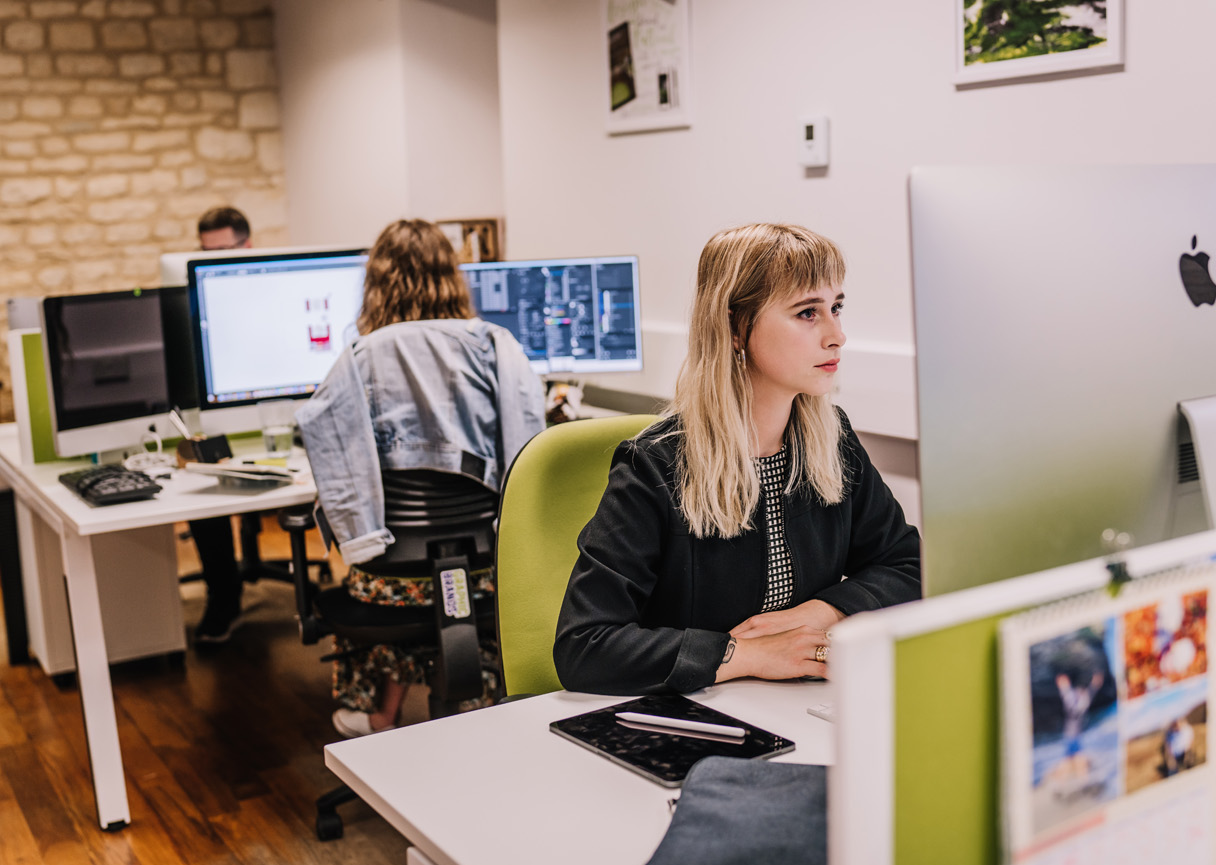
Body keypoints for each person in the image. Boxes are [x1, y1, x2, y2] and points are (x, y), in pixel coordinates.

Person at [554, 223, 922, 696]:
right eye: (808, 312)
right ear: (734, 326)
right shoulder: (656, 466)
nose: (837, 335)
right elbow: (584, 645)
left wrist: (820, 612)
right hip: (695, 714)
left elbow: (907, 565)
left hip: (798, 702)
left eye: (836, 307)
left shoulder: (831, 440)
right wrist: (744, 653)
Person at [297, 219, 545, 738]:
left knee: (397, 582)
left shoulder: (361, 356)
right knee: (456, 597)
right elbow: (529, 448)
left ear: (378, 283)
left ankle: (380, 713)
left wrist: (360, 537)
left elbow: (325, 434)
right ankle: (480, 713)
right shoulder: (496, 344)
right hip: (484, 573)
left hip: (391, 578)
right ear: (450, 278)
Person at [187, 206, 253, 643]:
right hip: (222, 415)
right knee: (198, 491)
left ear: (247, 246)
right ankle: (223, 595)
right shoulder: (198, 296)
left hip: (286, 415)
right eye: (205, 252)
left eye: (224, 251)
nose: (214, 261)